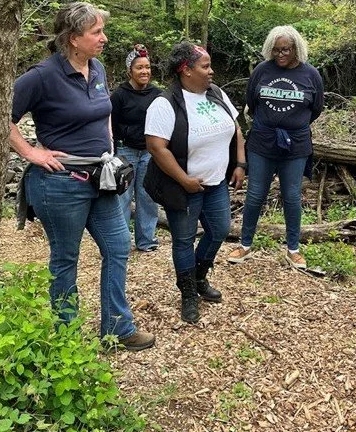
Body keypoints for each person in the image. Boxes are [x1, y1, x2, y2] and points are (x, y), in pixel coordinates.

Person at [10, 2, 154, 351]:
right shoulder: (41, 76)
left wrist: (109, 149)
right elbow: (0, 114)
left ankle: (117, 328)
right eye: (96, 33)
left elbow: (103, 113)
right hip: (60, 183)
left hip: (101, 178)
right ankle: (66, 338)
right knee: (65, 260)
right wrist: (31, 152)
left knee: (118, 248)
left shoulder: (98, 68)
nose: (104, 38)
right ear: (73, 38)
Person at [144, 42, 246, 324]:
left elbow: (236, 129)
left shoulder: (216, 94)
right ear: (186, 70)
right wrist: (184, 179)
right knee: (184, 239)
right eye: (205, 66)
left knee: (220, 229)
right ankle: (188, 292)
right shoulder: (164, 104)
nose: (211, 71)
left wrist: (239, 164)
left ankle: (199, 276)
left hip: (216, 183)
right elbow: (156, 147)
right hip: (182, 186)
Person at [228, 26, 325, 269]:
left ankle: (293, 249)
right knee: (255, 195)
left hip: (296, 144)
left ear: (296, 49)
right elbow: (251, 101)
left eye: (286, 49)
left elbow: (316, 108)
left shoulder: (310, 74)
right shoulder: (262, 70)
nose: (281, 54)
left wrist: (293, 124)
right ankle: (245, 244)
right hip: (262, 142)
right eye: (277, 49)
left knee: (291, 196)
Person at [111, 44, 163, 252]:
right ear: (130, 71)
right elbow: (110, 124)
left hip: (149, 153)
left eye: (147, 67)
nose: (144, 72)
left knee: (148, 196)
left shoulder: (157, 95)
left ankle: (146, 240)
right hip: (125, 151)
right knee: (122, 197)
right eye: (139, 68)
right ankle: (121, 242)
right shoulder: (119, 95)